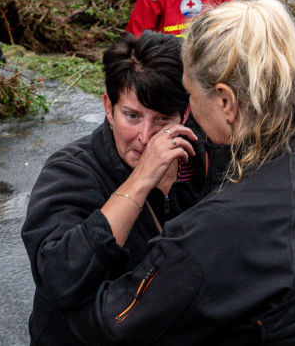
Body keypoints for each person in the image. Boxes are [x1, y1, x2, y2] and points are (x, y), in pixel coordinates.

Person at [69, 0, 295, 344]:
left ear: (226, 101)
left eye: (189, 94)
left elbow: (116, 322)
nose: (188, 109)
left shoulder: (218, 231)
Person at [23, 32, 217, 345]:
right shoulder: (71, 170)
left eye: (163, 119)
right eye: (132, 116)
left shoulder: (203, 156)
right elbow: (58, 277)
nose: (145, 136)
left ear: (186, 114)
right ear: (108, 107)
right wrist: (141, 180)